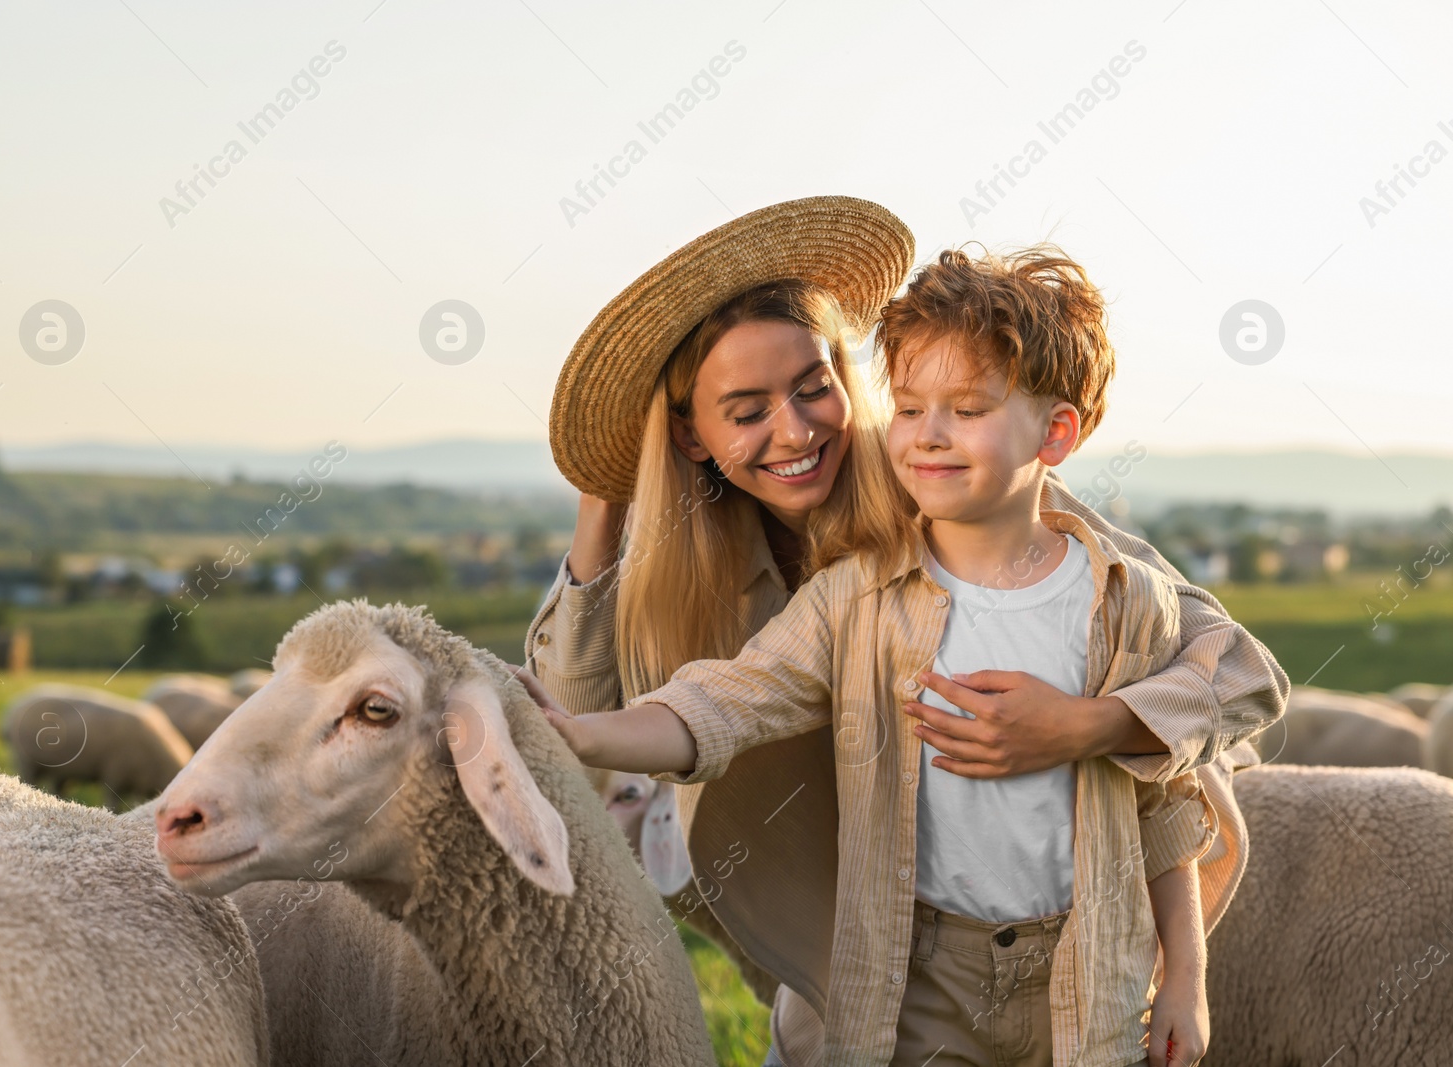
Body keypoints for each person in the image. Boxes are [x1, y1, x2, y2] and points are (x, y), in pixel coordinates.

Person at [523, 199, 1288, 1065]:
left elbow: (1235, 671)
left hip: (1068, 944)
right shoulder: (693, 565)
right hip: (860, 928)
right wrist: (606, 500)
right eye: (745, 412)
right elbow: (593, 723)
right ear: (691, 439)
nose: (797, 428)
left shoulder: (975, 493)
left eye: (814, 387)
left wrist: (1089, 724)